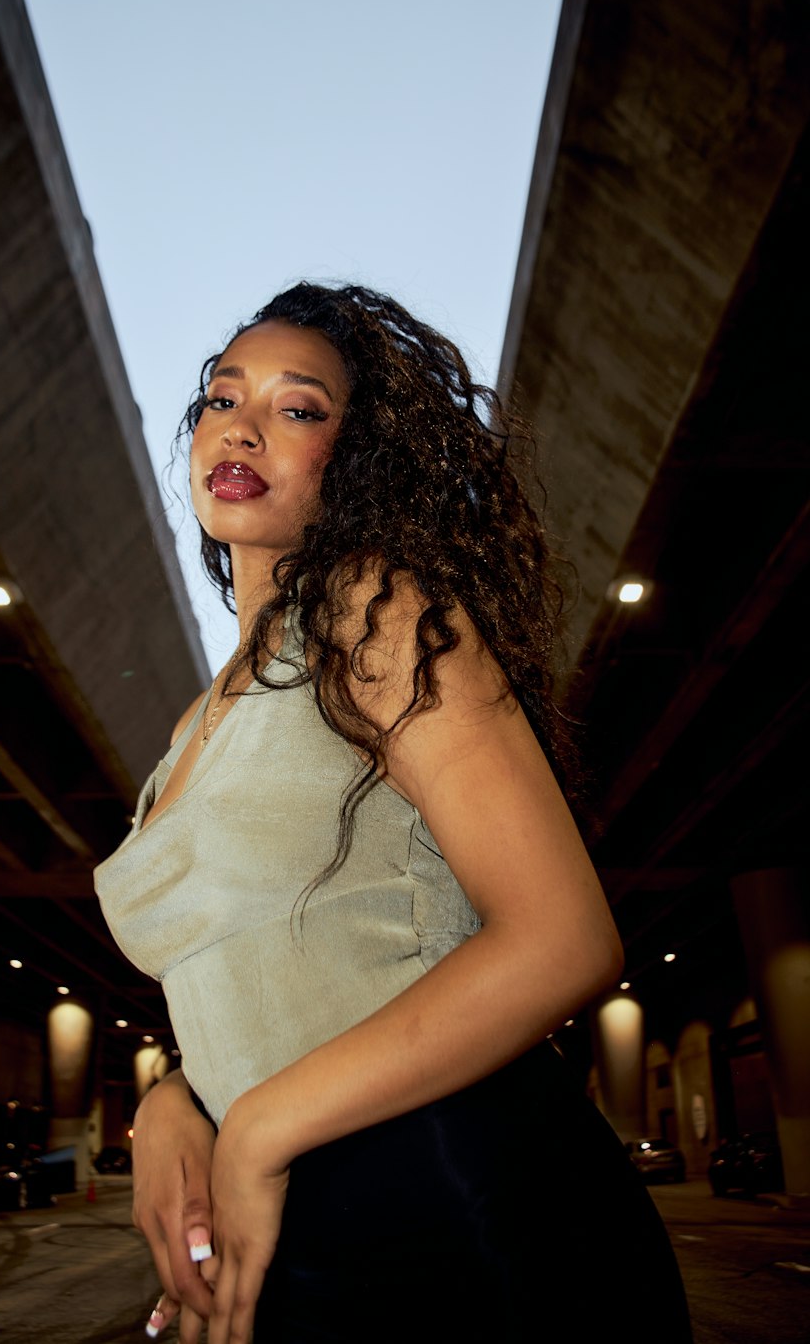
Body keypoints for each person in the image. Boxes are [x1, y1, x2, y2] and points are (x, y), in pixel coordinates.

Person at [95, 282, 692, 1344]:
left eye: (297, 407)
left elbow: (562, 940)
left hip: (465, 1207)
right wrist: (180, 1101)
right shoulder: (198, 720)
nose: (240, 424)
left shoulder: (376, 613)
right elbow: (282, 965)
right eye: (223, 398)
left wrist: (257, 1128)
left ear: (358, 455)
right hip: (298, 1220)